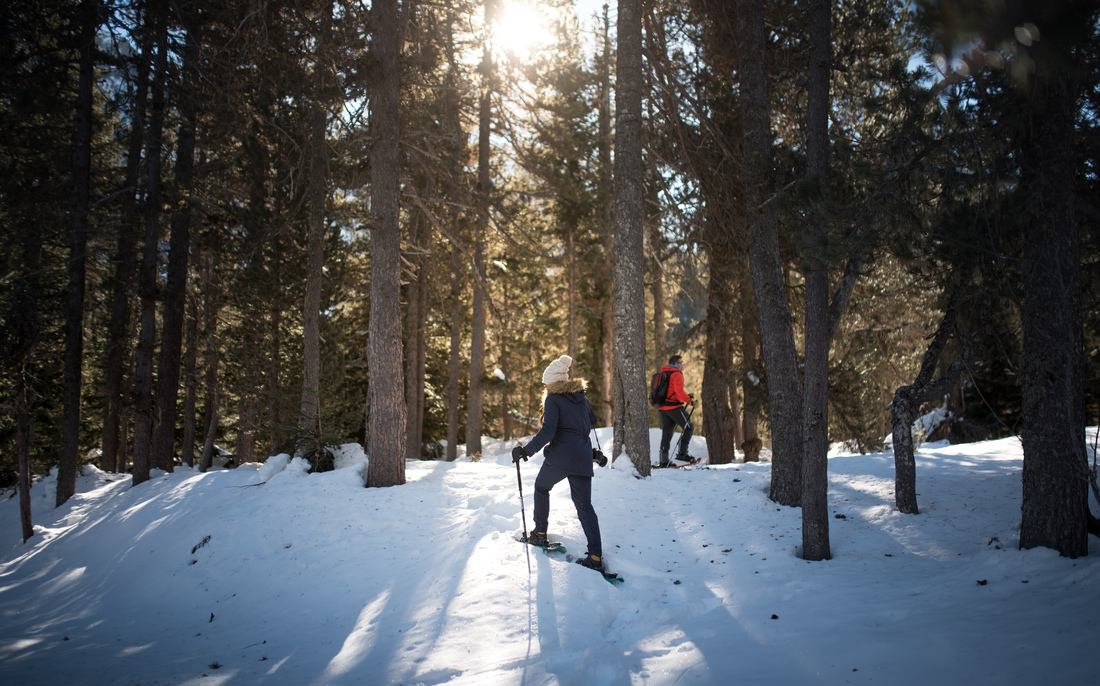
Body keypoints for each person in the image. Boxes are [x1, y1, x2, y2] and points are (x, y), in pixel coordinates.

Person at [511, 354, 604, 572]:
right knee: (584, 506)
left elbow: (548, 432)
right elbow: (589, 424)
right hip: (581, 457)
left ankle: (540, 533)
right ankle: (595, 556)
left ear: (554, 382)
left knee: (541, 487)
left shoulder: (553, 399)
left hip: (561, 457)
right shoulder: (580, 397)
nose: (544, 385)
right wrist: (591, 452)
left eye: (546, 382)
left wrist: (526, 451)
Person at [656, 353, 696, 467]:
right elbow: (679, 393)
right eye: (680, 363)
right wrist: (690, 401)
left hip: (663, 407)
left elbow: (671, 391)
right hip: (674, 407)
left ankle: (663, 460)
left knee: (666, 434)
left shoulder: (664, 372)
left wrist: (687, 396)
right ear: (675, 364)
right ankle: (682, 453)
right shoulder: (677, 374)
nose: (682, 365)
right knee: (689, 427)